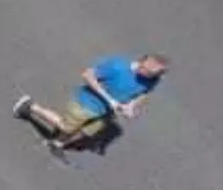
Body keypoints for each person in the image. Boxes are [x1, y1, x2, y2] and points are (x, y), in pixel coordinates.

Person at [14, 53, 167, 153]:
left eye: (154, 74)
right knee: (66, 126)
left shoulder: (153, 80)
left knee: (85, 132)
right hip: (87, 102)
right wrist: (109, 99)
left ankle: (56, 143)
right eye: (148, 72)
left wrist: (131, 106)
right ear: (141, 63)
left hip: (107, 112)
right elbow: (87, 75)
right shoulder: (117, 66)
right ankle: (30, 106)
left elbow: (144, 93)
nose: (149, 76)